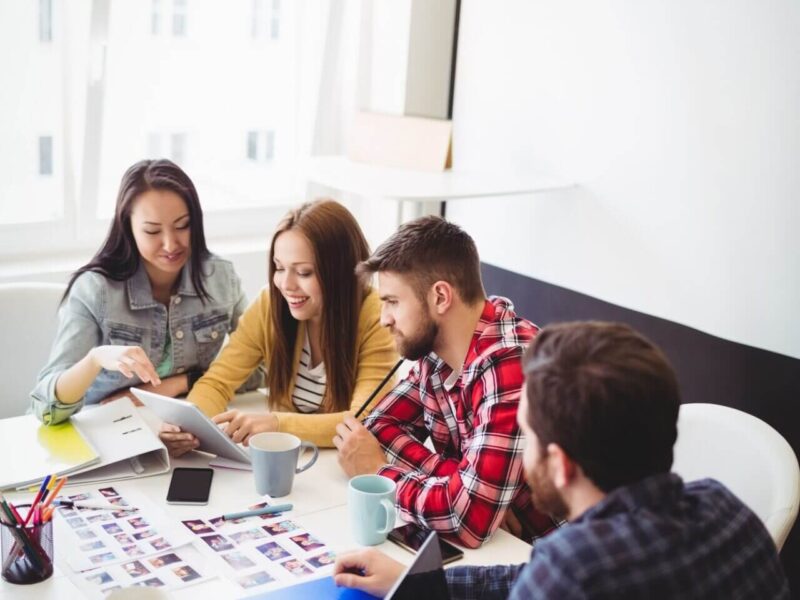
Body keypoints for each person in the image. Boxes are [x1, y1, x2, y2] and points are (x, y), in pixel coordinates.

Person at [333, 322, 791, 599]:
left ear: (561, 464)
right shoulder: (730, 512)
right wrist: (417, 585)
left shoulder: (573, 572)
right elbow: (532, 576)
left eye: (526, 435)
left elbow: (556, 577)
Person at [334, 216, 555, 549]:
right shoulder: (434, 352)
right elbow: (377, 427)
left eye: (393, 301)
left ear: (440, 297)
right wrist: (458, 480)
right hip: (502, 551)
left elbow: (467, 522)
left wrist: (380, 472)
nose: (384, 319)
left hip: (550, 563)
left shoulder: (509, 367)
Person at [159, 200, 398, 454]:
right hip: (285, 459)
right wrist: (187, 424)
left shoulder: (376, 316)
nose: (285, 284)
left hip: (338, 466)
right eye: (279, 267)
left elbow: (364, 420)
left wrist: (277, 424)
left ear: (340, 273)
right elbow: (217, 382)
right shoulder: (270, 304)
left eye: (304, 272)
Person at [31, 159, 256, 425]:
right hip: (99, 429)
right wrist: (95, 359)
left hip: (178, 421)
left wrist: (174, 385)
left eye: (182, 225)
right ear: (128, 226)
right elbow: (45, 405)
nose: (171, 244)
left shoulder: (221, 278)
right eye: (152, 231)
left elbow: (262, 367)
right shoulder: (95, 290)